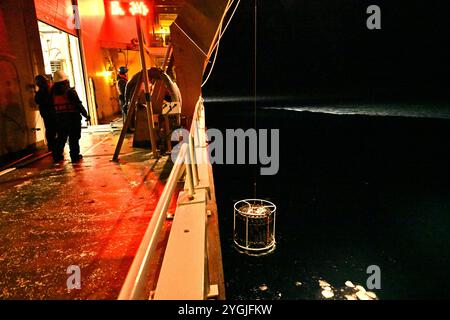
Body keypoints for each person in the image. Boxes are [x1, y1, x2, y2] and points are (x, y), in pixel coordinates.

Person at [51, 70, 90, 163]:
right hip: (73, 118)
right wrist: (86, 115)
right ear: (66, 81)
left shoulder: (52, 93)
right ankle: (74, 156)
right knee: (74, 138)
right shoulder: (70, 92)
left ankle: (57, 156)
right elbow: (78, 104)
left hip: (60, 118)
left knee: (61, 138)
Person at [34, 75, 57, 152]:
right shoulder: (48, 91)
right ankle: (53, 145)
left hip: (46, 112)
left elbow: (37, 101)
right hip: (51, 112)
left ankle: (51, 145)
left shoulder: (40, 93)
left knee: (49, 129)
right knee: (53, 129)